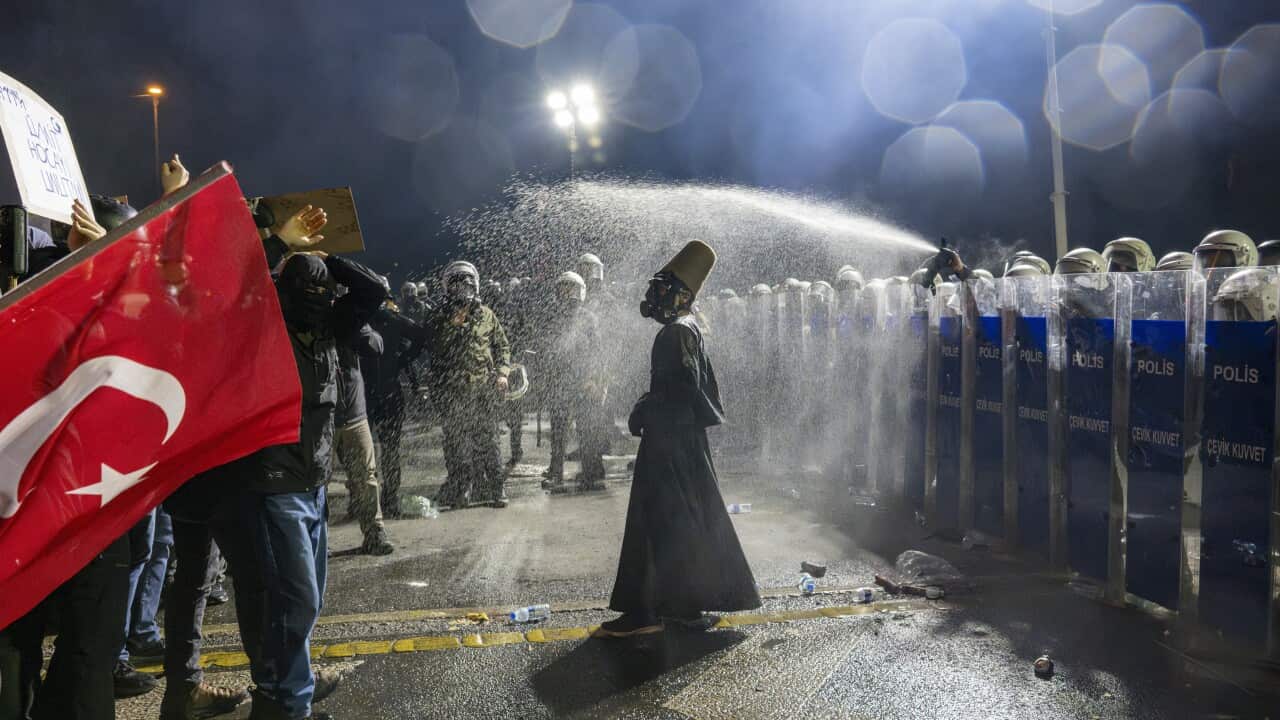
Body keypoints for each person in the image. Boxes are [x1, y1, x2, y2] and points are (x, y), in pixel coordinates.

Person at [596, 240, 761, 638]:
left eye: (663, 286)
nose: (655, 294)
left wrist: (644, 410)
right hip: (681, 443)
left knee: (658, 524)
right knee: (680, 522)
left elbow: (679, 389)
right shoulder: (686, 329)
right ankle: (680, 606)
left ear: (682, 295)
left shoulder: (676, 333)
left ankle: (647, 612)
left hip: (669, 444)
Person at [427, 261, 513, 509]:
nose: (462, 290)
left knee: (489, 441)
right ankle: (461, 488)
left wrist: (502, 373)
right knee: (456, 444)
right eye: (457, 285)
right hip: (452, 393)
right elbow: (433, 350)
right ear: (449, 289)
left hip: (482, 391)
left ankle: (497, 488)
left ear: (474, 286)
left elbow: (502, 346)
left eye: (467, 284)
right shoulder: (438, 316)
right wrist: (454, 326)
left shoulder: (487, 315)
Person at [363, 297, 429, 518]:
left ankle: (364, 501)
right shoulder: (392, 319)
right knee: (390, 449)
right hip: (389, 391)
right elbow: (421, 336)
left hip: (365, 394)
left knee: (362, 451)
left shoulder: (358, 318)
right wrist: (402, 360)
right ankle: (389, 500)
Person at [543, 271, 607, 492]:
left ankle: (592, 473)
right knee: (558, 432)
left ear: (580, 291)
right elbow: (546, 350)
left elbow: (597, 352)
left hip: (583, 382)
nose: (567, 293)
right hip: (560, 381)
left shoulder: (589, 318)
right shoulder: (551, 317)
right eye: (563, 288)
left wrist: (593, 379)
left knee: (587, 430)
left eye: (571, 289)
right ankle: (556, 473)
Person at [334, 321, 394, 554]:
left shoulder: (348, 313)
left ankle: (374, 531)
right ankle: (313, 544)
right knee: (313, 483)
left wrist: (354, 324)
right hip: (318, 415)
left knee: (366, 475)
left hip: (353, 411)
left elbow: (375, 345)